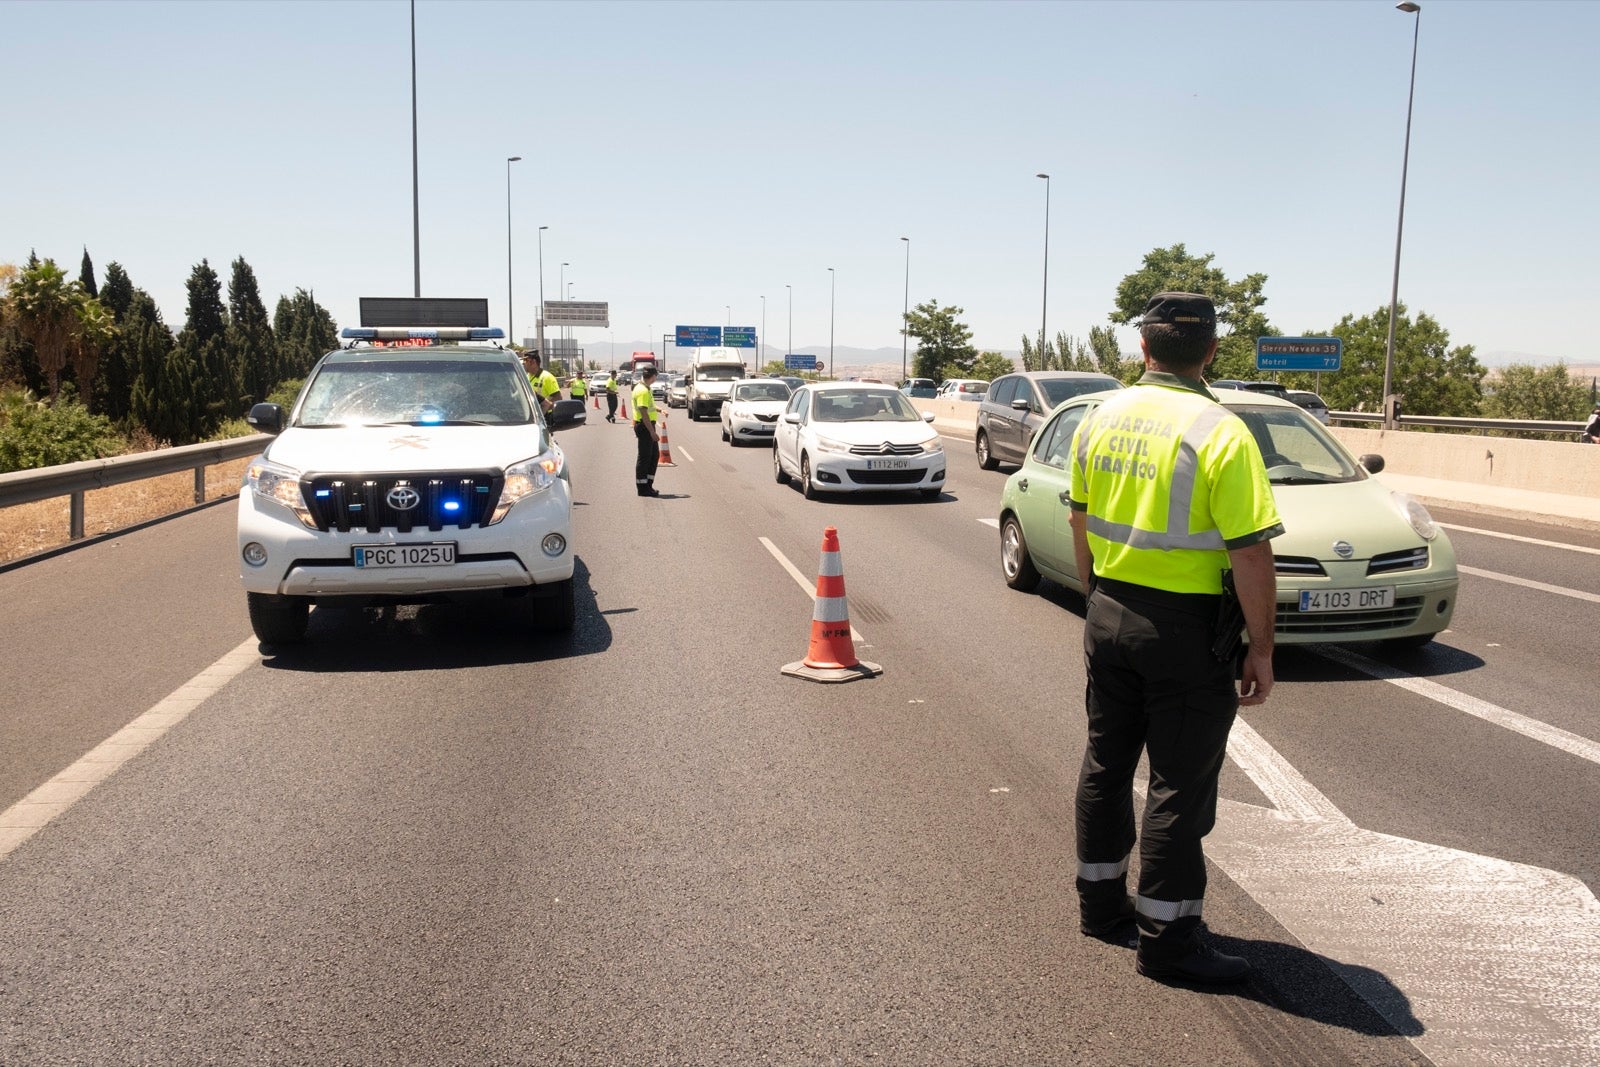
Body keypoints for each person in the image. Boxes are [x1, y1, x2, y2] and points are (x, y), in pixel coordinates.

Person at [1067, 291, 1283, 985]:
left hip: (1110, 610)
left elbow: (1080, 520)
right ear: (1211, 351)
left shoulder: (1099, 417)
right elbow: (1251, 555)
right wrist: (1262, 646)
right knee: (1176, 788)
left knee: (1105, 763)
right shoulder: (1220, 431)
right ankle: (1168, 940)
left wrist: (1096, 597)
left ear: (1143, 349)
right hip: (1185, 633)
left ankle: (1101, 908)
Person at [632, 365, 662, 496]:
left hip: (647, 425)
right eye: (656, 376)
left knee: (654, 455)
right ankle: (642, 488)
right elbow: (643, 412)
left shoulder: (644, 388)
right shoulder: (642, 390)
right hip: (645, 427)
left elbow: (649, 407)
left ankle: (648, 484)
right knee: (645, 457)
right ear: (653, 376)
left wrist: (660, 410)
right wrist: (652, 432)